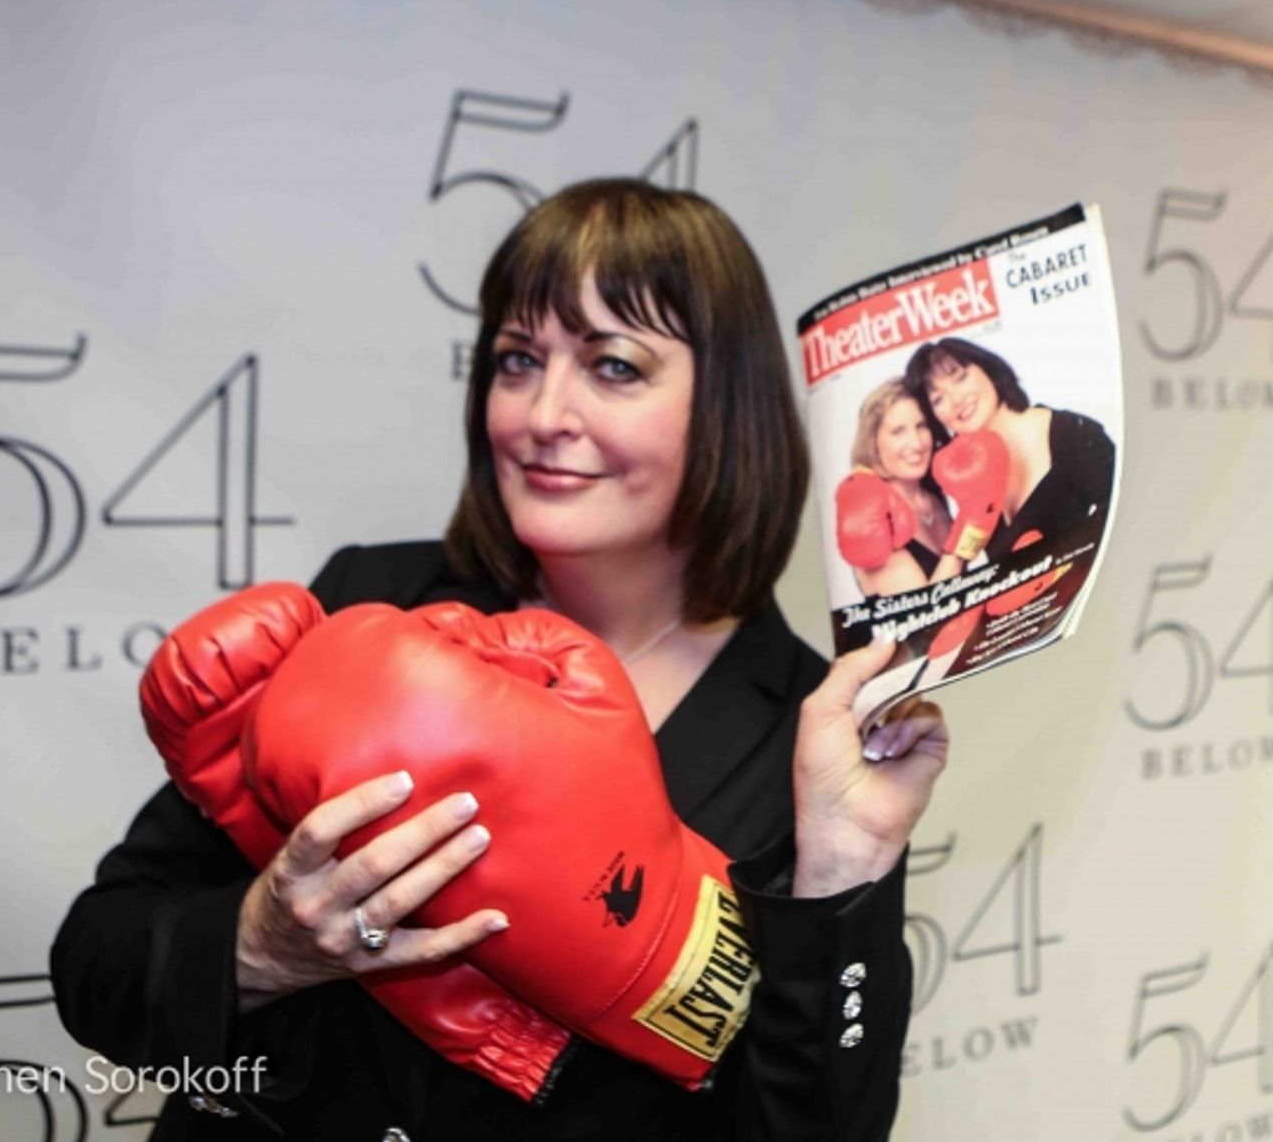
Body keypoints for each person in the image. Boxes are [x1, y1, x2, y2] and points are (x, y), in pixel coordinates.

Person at [52, 179, 948, 1141]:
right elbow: (97, 963)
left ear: (729, 408)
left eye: (613, 367)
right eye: (518, 360)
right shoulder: (368, 606)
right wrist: (262, 946)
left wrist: (846, 869)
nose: (542, 413)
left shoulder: (807, 736)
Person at [902, 337, 1115, 560]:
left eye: (961, 378)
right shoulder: (972, 479)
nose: (956, 400)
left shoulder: (1073, 433)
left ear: (988, 370)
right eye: (938, 399)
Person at [840, 378, 960, 597]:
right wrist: (967, 538)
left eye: (921, 426)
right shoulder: (871, 513)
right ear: (873, 443)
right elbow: (925, 612)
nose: (916, 443)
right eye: (898, 431)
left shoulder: (933, 498)